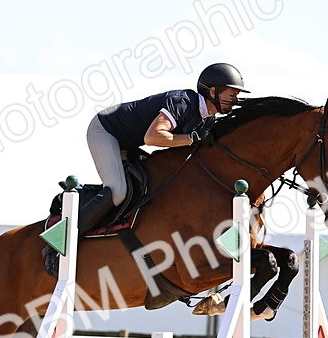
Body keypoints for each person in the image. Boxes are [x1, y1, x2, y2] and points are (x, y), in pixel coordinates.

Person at [45, 62, 249, 275]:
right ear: (213, 91)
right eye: (232, 94)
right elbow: (153, 137)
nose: (235, 100)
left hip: (129, 143)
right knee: (117, 192)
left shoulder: (206, 118)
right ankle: (57, 242)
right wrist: (191, 138)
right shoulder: (184, 102)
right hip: (106, 131)